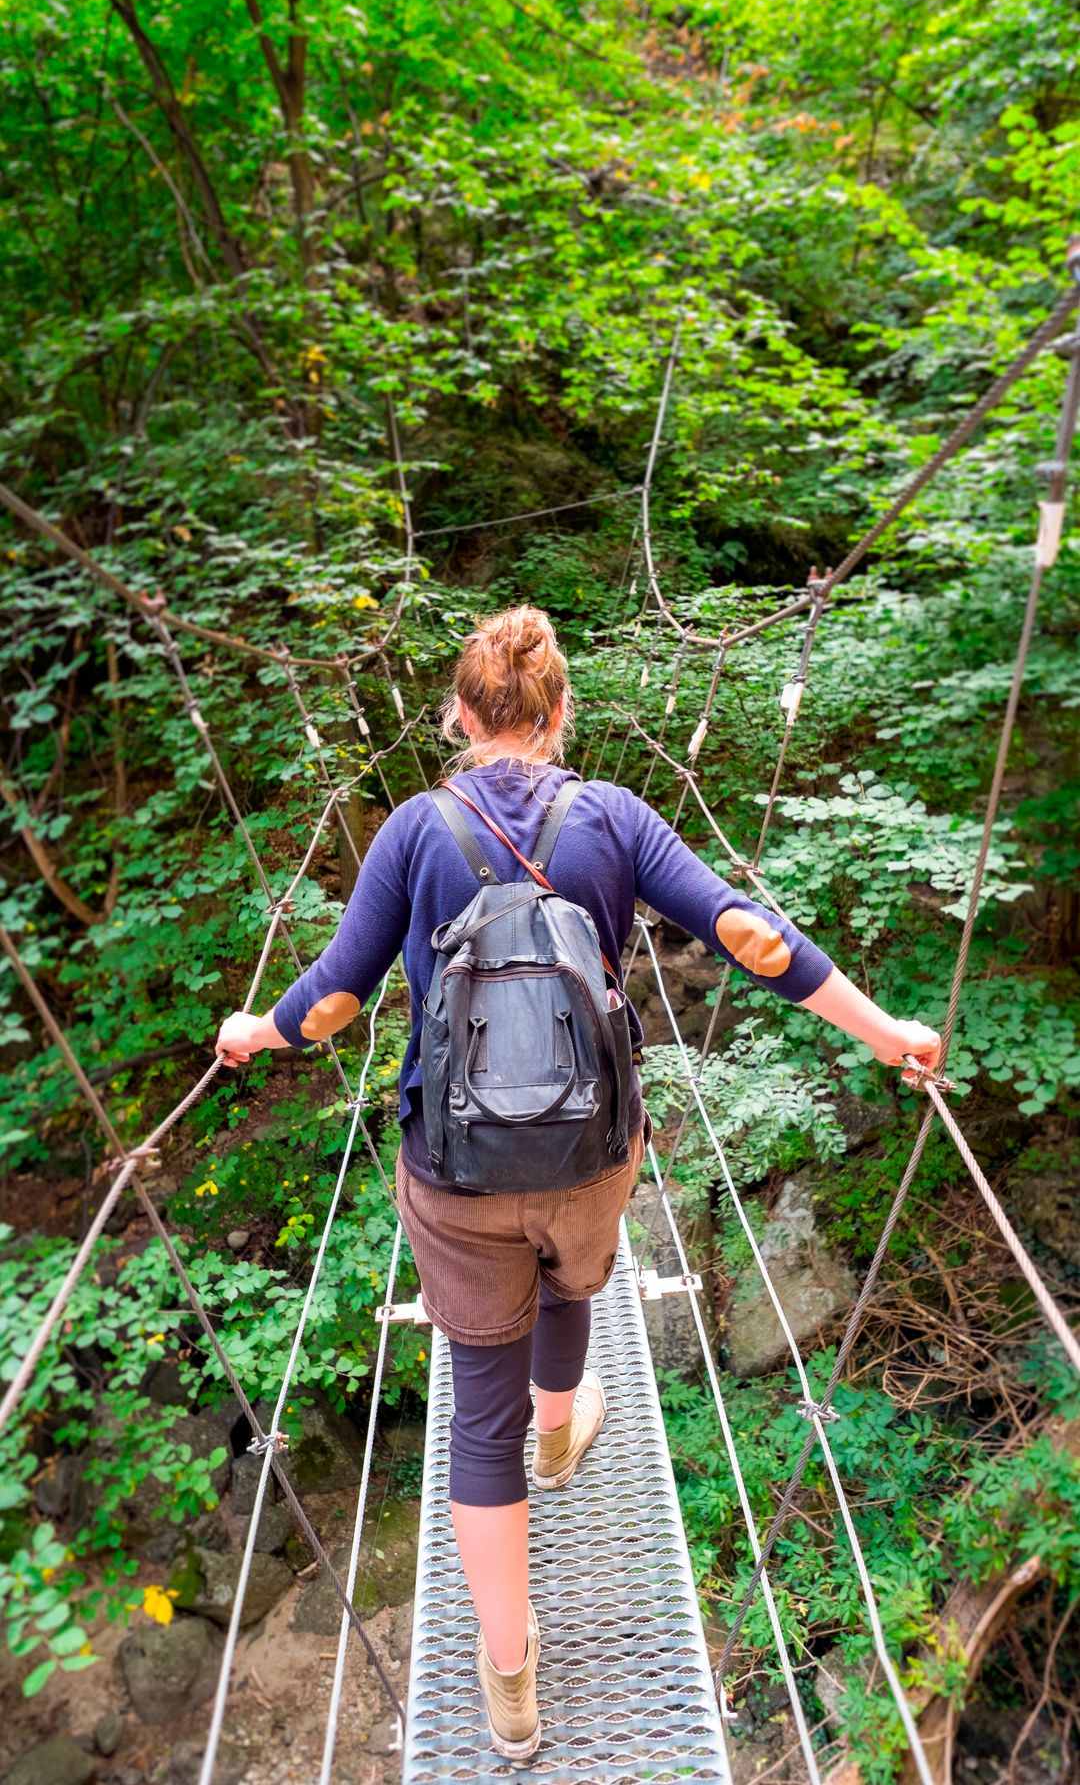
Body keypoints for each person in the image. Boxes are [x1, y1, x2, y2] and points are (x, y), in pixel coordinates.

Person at [214, 604, 941, 1762]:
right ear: (559, 715)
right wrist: (885, 1031)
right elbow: (750, 937)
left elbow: (340, 996)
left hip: (452, 1167)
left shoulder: (412, 828)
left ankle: (510, 1677)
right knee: (571, 1282)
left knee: (476, 1413)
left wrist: (259, 1030)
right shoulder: (612, 816)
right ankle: (568, 1431)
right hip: (595, 1151)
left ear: (459, 715)